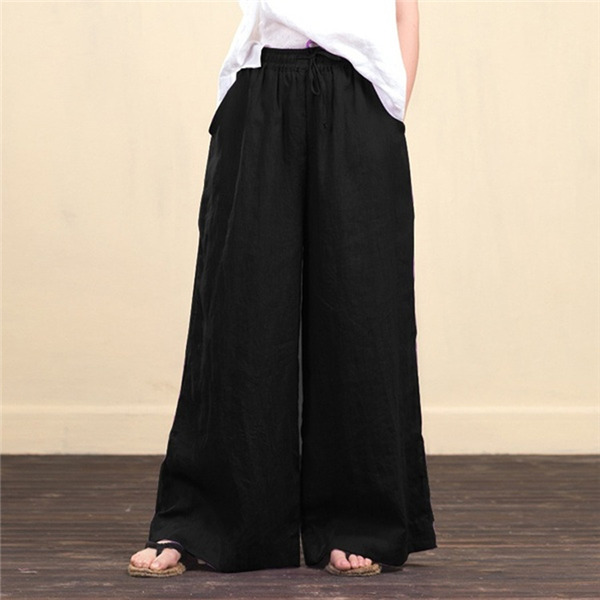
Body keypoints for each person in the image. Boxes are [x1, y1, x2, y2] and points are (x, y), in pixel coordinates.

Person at [128, 0, 436, 578]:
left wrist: (393, 104)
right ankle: (207, 522)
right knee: (240, 310)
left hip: (361, 94)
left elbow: (405, 11)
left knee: (362, 311)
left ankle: (358, 522)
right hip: (262, 83)